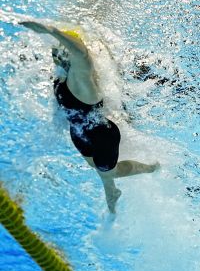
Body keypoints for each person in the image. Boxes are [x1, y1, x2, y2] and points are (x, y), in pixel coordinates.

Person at [20, 20, 159, 213]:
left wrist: (52, 31)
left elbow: (82, 54)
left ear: (68, 53)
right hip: (79, 134)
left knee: (110, 174)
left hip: (102, 137)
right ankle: (112, 190)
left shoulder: (83, 84)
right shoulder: (63, 72)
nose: (54, 55)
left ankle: (148, 169)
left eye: (58, 51)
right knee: (104, 173)